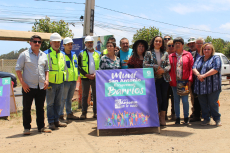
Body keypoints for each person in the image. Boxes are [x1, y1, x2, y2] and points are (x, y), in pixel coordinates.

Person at [16, 35, 51, 135]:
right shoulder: (24, 55)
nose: (37, 43)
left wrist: (47, 80)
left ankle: (41, 127)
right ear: (30, 43)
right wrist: (23, 83)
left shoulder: (44, 55)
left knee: (40, 108)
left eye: (39, 42)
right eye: (35, 41)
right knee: (27, 108)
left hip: (41, 86)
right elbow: (18, 69)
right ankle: (27, 128)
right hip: (28, 87)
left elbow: (46, 69)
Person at [143, 36, 171, 126]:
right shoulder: (148, 53)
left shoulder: (165, 53)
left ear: (162, 43)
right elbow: (145, 65)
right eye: (156, 41)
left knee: (164, 98)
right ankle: (157, 117)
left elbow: (168, 66)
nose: (158, 42)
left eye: (160, 41)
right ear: (153, 42)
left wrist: (163, 70)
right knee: (157, 99)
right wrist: (155, 67)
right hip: (154, 79)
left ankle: (163, 117)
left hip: (164, 78)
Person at [192, 43, 222, 126]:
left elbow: (216, 69)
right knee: (203, 103)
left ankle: (217, 119)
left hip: (213, 85)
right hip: (200, 86)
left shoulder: (216, 58)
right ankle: (206, 119)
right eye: (205, 49)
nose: (206, 51)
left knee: (213, 103)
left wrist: (204, 75)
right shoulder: (200, 59)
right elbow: (193, 68)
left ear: (212, 50)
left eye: (208, 49)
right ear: (202, 50)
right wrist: (198, 75)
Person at [44, 33, 67, 130]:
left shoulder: (62, 54)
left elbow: (64, 68)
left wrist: (63, 78)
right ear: (50, 43)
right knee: (50, 103)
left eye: (58, 42)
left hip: (60, 82)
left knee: (58, 103)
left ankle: (57, 121)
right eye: (55, 42)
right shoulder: (45, 54)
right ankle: (51, 122)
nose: (57, 44)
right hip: (51, 83)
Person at [169, 37, 193, 124]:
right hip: (174, 82)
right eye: (176, 43)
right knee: (176, 100)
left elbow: (191, 68)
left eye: (179, 43)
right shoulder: (170, 56)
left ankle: (186, 117)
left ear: (183, 45)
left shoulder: (188, 55)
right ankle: (178, 118)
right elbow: (168, 69)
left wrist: (190, 80)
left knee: (185, 100)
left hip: (184, 82)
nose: (177, 45)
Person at [78, 35, 101, 119]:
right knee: (85, 95)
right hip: (85, 78)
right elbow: (79, 66)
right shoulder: (81, 53)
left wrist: (95, 74)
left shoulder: (98, 54)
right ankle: (84, 113)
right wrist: (86, 74)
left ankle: (96, 112)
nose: (90, 44)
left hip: (96, 78)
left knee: (96, 95)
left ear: (93, 43)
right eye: (88, 43)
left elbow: (101, 65)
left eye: (91, 42)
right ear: (85, 44)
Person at [59, 37, 79, 122]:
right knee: (63, 98)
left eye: (71, 44)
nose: (70, 46)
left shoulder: (74, 55)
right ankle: (60, 115)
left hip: (73, 80)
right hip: (65, 81)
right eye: (68, 44)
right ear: (64, 45)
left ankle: (69, 113)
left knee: (69, 98)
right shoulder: (61, 55)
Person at [189, 37, 204, 122]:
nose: (198, 45)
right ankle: (197, 115)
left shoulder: (207, 52)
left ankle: (207, 115)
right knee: (195, 97)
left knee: (206, 97)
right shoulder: (192, 54)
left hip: (206, 79)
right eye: (197, 43)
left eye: (200, 43)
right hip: (195, 79)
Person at [165, 40, 176, 120]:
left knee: (174, 98)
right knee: (165, 98)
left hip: (175, 79)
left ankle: (174, 113)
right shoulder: (164, 55)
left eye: (173, 45)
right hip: (165, 79)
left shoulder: (178, 54)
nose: (171, 47)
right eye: (169, 45)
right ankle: (164, 114)